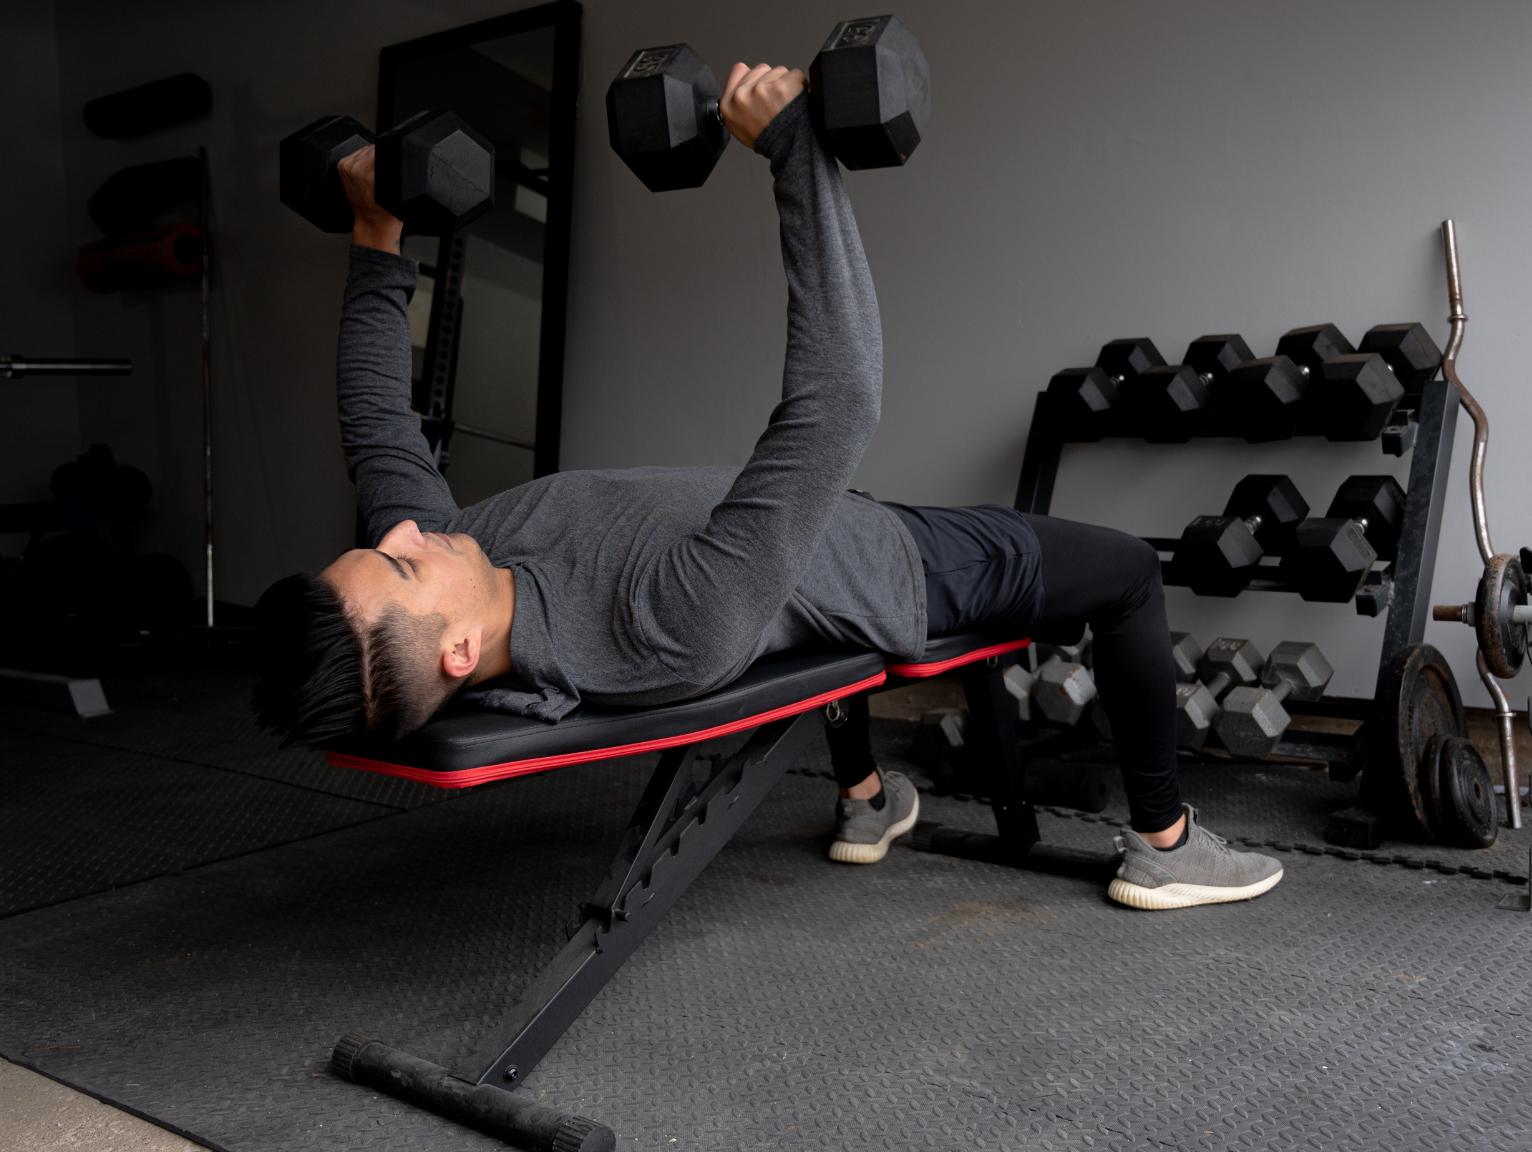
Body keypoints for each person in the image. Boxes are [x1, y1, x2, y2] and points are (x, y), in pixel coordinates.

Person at [254, 62, 1281, 912]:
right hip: (904, 569)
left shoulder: (455, 570)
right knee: (1123, 575)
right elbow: (837, 402)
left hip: (807, 551)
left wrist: (376, 233)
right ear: (460, 650)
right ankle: (1163, 841)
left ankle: (869, 798)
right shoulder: (662, 620)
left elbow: (376, 421)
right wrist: (797, 150)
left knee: (781, 563)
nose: (410, 532)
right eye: (398, 560)